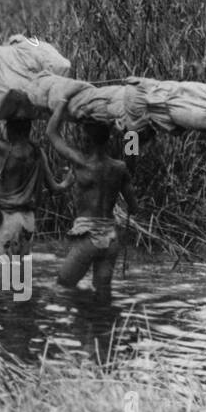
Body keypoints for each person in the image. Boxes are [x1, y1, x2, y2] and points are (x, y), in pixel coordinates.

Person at [46, 100, 135, 300]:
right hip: (111, 240)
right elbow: (134, 206)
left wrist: (62, 102)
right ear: (108, 139)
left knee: (62, 287)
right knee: (103, 293)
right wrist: (127, 132)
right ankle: (103, 327)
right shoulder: (120, 168)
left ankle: (81, 317)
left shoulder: (81, 163)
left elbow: (52, 133)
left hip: (88, 239)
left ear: (86, 138)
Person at [0, 95, 70, 256]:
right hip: (28, 221)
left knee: (1, 274)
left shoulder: (5, 149)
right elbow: (56, 188)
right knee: (19, 274)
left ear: (11, 129)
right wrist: (70, 179)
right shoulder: (38, 152)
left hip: (7, 220)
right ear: (28, 129)